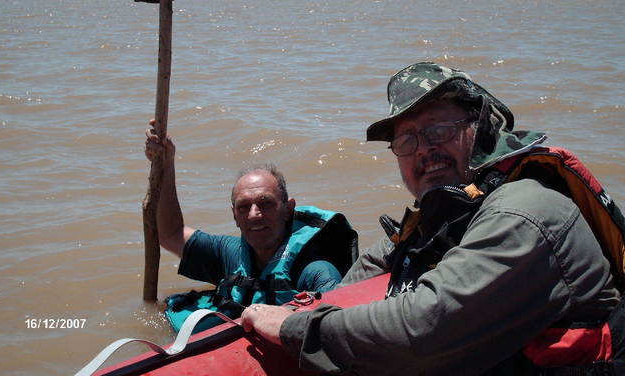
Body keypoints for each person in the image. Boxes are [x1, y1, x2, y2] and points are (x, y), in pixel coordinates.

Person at [240, 62, 624, 375]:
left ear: (481, 129)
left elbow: (421, 331)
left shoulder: (522, 212)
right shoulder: (447, 215)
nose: (424, 150)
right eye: (407, 140)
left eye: (439, 130)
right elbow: (376, 266)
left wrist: (292, 328)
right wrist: (302, 308)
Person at [144, 121, 357, 330]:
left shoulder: (316, 271)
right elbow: (170, 234)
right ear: (234, 215)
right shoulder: (230, 253)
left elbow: (336, 325)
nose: (254, 214)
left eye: (266, 204)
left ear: (288, 209)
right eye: (244, 206)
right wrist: (165, 163)